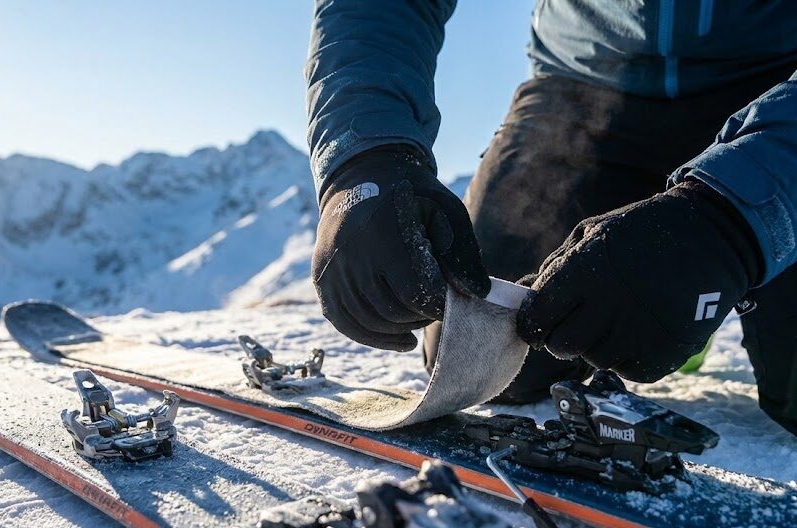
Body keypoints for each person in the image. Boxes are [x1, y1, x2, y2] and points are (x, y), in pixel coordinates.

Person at [305, 1, 797, 435]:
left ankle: (712, 288)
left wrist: (730, 226)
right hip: (583, 85)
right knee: (483, 357)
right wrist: (362, 158)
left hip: (775, 96)